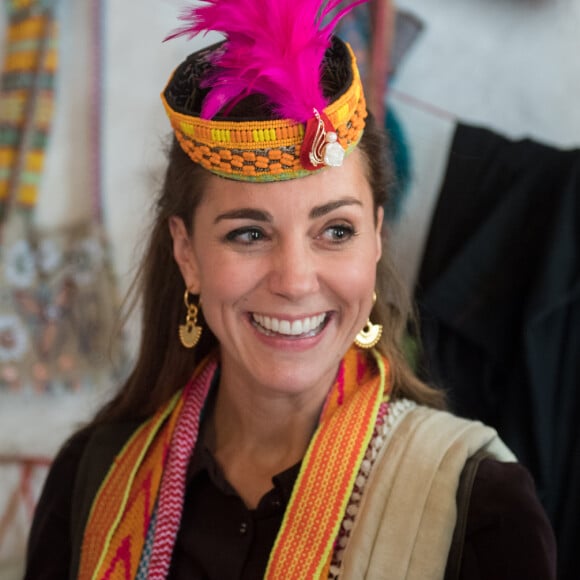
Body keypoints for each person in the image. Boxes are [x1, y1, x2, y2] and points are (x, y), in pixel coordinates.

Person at [24, 1, 556, 578]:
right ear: (187, 253)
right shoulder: (93, 479)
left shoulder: (476, 504)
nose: (296, 281)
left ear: (376, 239)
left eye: (335, 231)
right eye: (249, 233)